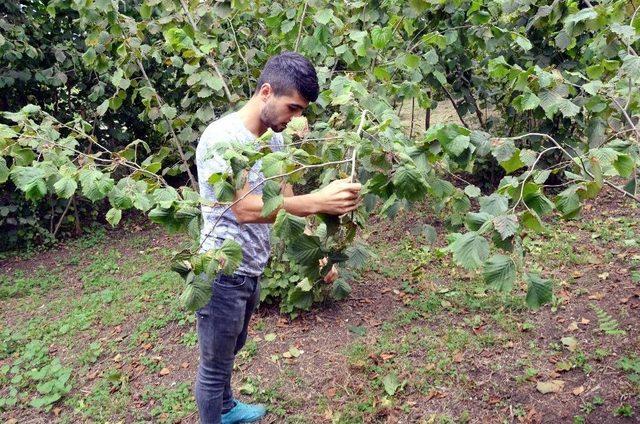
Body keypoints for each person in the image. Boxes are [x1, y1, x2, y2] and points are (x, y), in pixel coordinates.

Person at [194, 51, 362, 424]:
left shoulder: (275, 141)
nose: (296, 118)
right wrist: (318, 201)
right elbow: (244, 208)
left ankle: (225, 408)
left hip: (252, 267)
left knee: (233, 346)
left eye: (301, 111)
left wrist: (315, 252)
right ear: (266, 92)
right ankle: (214, 411)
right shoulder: (222, 139)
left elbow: (283, 199)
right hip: (221, 271)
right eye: (293, 107)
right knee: (213, 367)